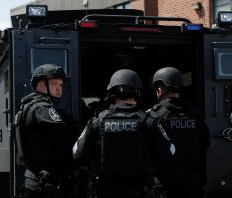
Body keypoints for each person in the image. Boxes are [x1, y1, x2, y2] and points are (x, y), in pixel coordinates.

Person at [72, 69, 175, 198]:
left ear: (111, 93)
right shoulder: (149, 121)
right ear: (137, 92)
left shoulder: (97, 122)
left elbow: (78, 155)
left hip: (105, 191)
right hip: (140, 192)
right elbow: (168, 154)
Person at [15, 64, 79, 198]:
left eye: (61, 85)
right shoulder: (43, 109)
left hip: (36, 178)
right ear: (41, 84)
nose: (59, 88)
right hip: (48, 181)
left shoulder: (28, 105)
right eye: (54, 83)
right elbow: (66, 140)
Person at [149, 67, 210, 198]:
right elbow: (205, 143)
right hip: (191, 181)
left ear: (160, 90)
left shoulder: (154, 115)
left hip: (163, 183)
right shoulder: (194, 113)